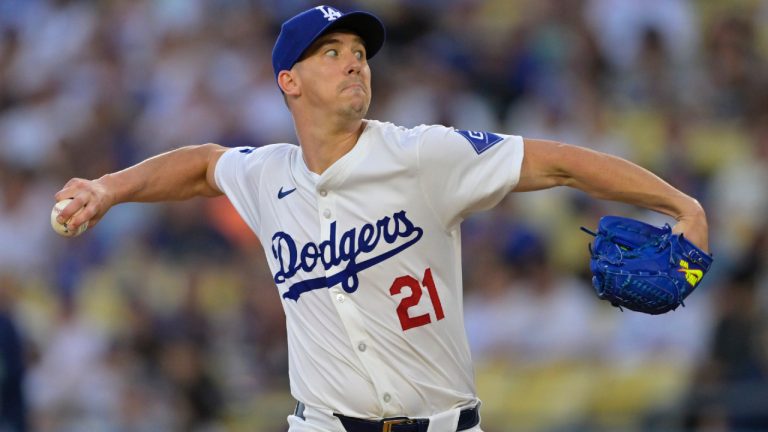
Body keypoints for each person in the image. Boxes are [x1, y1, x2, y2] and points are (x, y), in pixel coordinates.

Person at [55, 5, 709, 432]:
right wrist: (109, 189)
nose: (353, 61)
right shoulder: (269, 174)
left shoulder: (422, 153)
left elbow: (557, 163)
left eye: (359, 51)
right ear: (290, 81)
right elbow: (203, 165)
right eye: (332, 52)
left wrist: (681, 205)